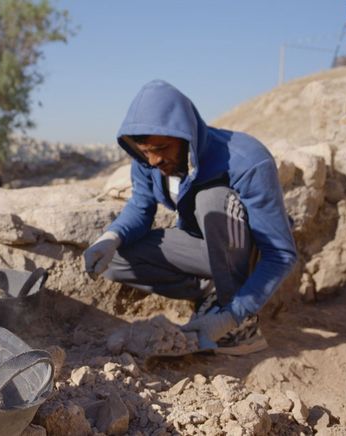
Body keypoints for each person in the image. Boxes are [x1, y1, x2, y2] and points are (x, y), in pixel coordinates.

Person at [83, 80, 297, 355]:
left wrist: (231, 316)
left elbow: (280, 253)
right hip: (204, 248)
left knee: (212, 200)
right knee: (112, 259)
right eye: (146, 151)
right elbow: (140, 207)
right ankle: (211, 296)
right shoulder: (147, 162)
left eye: (161, 148)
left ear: (187, 136)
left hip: (245, 251)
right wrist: (110, 237)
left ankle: (239, 323)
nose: (153, 161)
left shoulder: (246, 160)